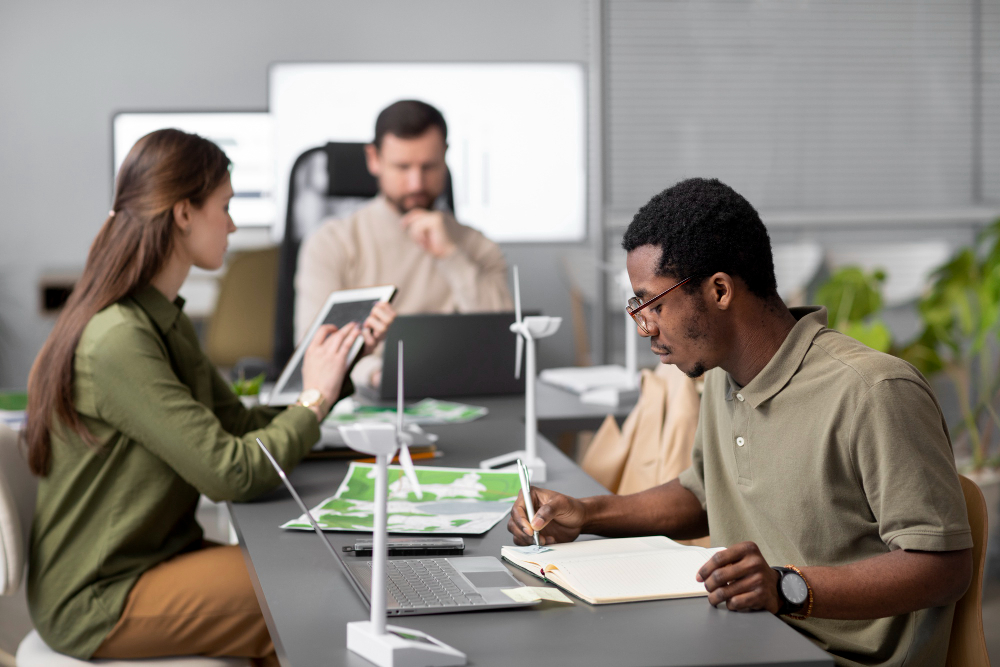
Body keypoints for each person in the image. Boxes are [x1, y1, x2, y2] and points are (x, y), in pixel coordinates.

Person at [508, 178, 973, 667]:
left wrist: (786, 587)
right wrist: (587, 514)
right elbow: (703, 492)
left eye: (653, 305)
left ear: (720, 290)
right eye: (638, 308)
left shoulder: (872, 391)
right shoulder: (721, 378)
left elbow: (943, 568)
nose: (646, 328)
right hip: (743, 638)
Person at [23, 129, 395, 667]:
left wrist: (336, 372)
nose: (233, 224)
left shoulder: (159, 319)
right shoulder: (119, 338)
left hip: (153, 561)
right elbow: (232, 474)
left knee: (316, 580)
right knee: (315, 598)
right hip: (100, 597)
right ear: (183, 214)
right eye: (225, 205)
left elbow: (238, 427)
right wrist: (312, 398)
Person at [295, 99, 513, 388]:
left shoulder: (477, 247)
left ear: (445, 156)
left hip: (459, 394)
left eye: (428, 166)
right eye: (402, 167)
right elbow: (314, 350)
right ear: (374, 159)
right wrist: (378, 374)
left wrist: (450, 256)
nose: (416, 184)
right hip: (364, 395)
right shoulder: (332, 242)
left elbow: (503, 343)